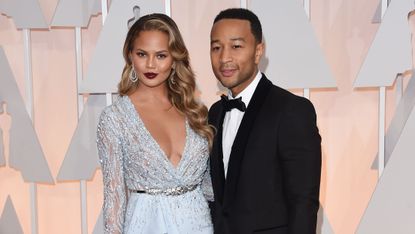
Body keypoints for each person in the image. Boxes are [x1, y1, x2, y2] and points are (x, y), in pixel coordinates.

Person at [97, 13, 214, 234]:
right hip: (146, 225)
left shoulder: (195, 112)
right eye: (142, 54)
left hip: (199, 224)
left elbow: (210, 188)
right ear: (130, 55)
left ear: (174, 59)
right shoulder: (115, 118)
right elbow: (114, 197)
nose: (151, 64)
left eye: (161, 55)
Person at [208, 8, 322, 234]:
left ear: (258, 51)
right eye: (216, 47)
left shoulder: (292, 110)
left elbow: (304, 203)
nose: (224, 58)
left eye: (236, 46)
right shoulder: (214, 113)